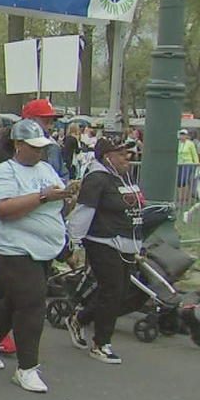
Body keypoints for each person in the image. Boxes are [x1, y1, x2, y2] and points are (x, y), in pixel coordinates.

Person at [0, 119, 69, 393]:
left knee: (16, 301)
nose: (39, 152)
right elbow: (1, 209)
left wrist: (67, 195)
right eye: (33, 147)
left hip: (44, 247)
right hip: (15, 249)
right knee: (32, 305)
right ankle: (27, 368)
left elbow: (55, 201)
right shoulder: (5, 172)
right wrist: (42, 197)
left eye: (42, 147)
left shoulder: (47, 169)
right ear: (18, 145)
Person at [66, 137, 142, 364]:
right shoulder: (97, 178)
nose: (127, 157)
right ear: (107, 156)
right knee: (112, 291)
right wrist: (75, 242)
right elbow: (83, 212)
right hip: (103, 242)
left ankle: (80, 317)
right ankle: (101, 343)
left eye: (127, 152)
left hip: (128, 243)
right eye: (121, 153)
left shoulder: (125, 175)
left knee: (119, 292)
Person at [21, 99, 67, 179]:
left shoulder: (54, 148)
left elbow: (63, 175)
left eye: (52, 122)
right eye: (46, 122)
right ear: (28, 122)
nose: (50, 127)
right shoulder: (9, 149)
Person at [176, 129, 197, 203]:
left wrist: (196, 165)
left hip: (188, 164)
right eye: (181, 134)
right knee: (179, 182)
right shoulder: (178, 143)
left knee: (184, 180)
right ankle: (180, 198)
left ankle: (186, 198)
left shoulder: (190, 143)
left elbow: (194, 154)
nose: (182, 136)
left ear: (186, 135)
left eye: (184, 134)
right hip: (179, 164)